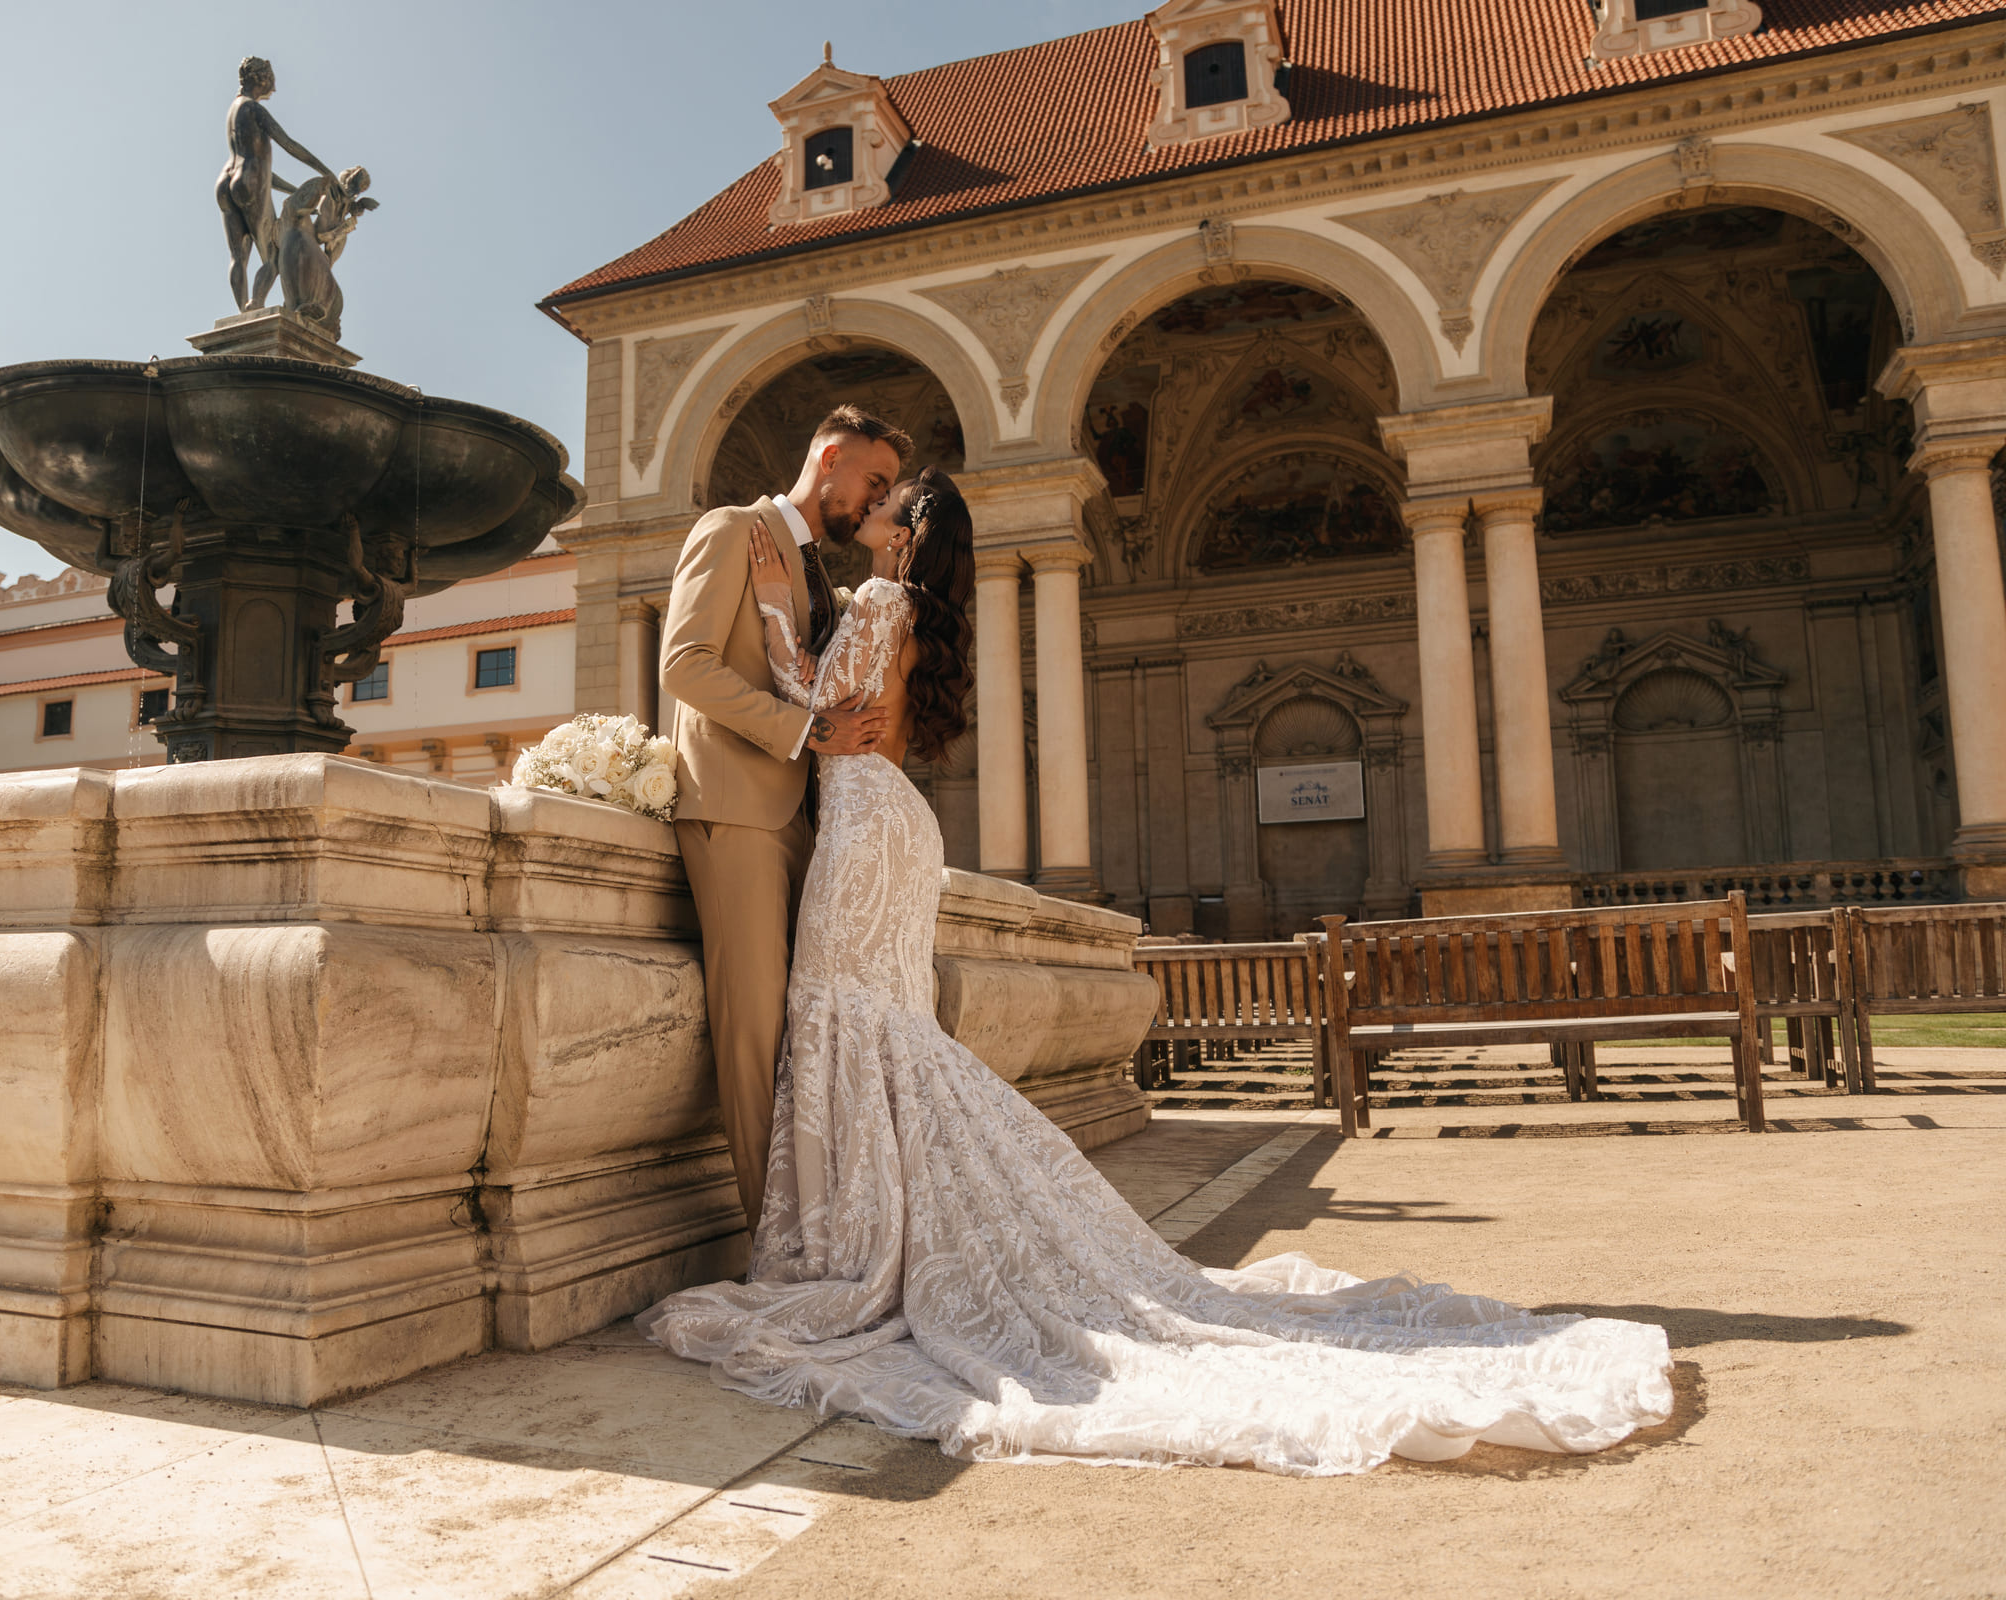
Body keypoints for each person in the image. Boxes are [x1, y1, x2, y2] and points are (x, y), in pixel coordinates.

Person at [638, 468, 1675, 1476]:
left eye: (885, 502)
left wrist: (768, 619)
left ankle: (852, 1254)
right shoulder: (919, 614)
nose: (866, 509)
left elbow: (814, 702)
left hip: (859, 830)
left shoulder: (870, 599)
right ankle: (881, 1241)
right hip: (900, 828)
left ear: (904, 532)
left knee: (845, 1024)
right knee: (890, 1038)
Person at [657, 405, 910, 1230]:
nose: (874, 501)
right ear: (828, 457)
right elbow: (684, 665)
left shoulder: (811, 572)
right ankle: (779, 1240)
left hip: (803, 817)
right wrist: (808, 730)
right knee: (754, 1028)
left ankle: (825, 1216)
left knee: (806, 1029)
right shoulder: (732, 530)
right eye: (872, 482)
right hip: (734, 807)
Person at [215, 56, 339, 313]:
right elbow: (289, 144)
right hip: (249, 180)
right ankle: (256, 304)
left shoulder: (234, 109)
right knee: (273, 256)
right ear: (260, 78)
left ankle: (243, 312)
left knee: (238, 256)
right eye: (271, 79)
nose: (273, 87)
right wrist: (326, 172)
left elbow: (264, 172)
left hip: (226, 180)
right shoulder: (254, 109)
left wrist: (297, 192)